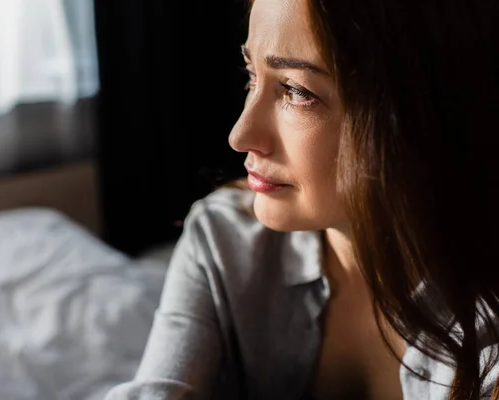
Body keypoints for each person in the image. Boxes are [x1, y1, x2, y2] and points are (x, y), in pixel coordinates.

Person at [106, 0, 499, 398]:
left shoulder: (487, 328)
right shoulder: (226, 239)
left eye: (296, 90)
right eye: (250, 75)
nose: (240, 135)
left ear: (418, 112)